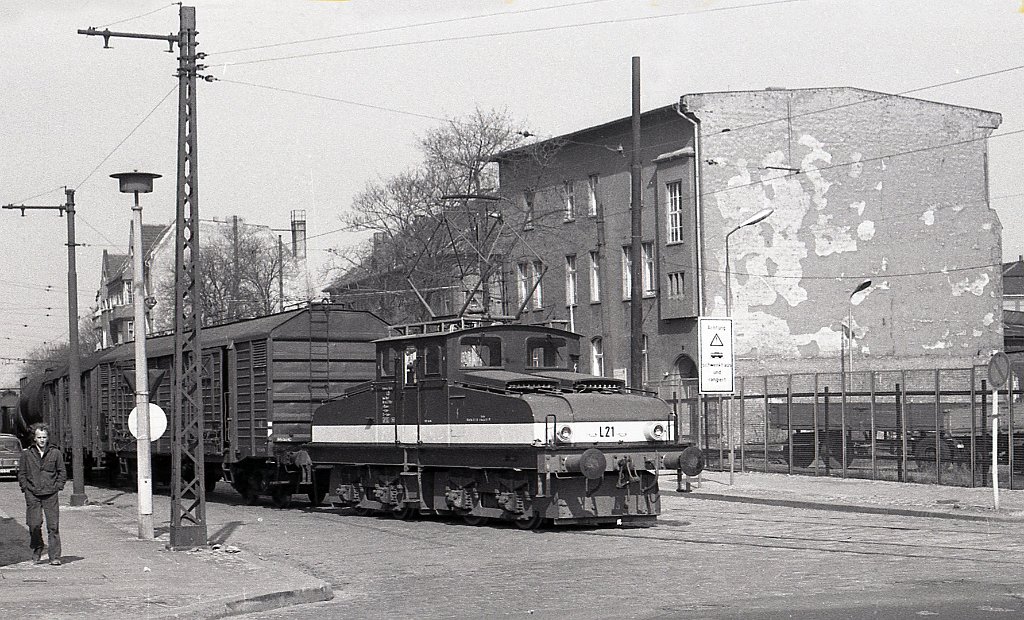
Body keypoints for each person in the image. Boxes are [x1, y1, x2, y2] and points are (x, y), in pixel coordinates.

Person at [17, 423, 66, 566]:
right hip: (32, 494)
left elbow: (62, 472)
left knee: (53, 526)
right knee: (34, 524)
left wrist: (58, 486)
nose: (42, 440)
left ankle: (54, 556)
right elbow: (22, 473)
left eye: (44, 437)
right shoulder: (27, 454)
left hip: (50, 493)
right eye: (39, 437)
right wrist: (25, 488)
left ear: (48, 438)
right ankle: (38, 546)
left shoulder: (55, 453)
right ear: (34, 438)